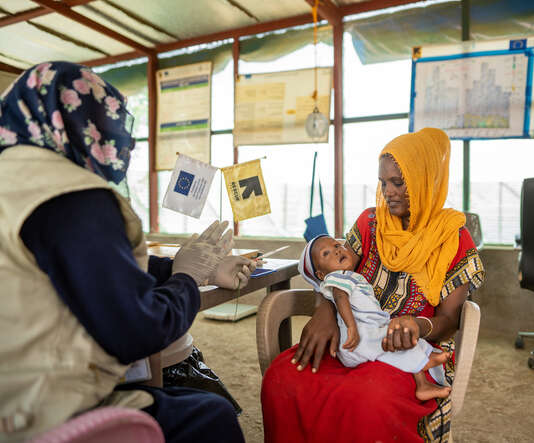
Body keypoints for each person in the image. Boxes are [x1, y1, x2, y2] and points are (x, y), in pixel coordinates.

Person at [0, 61, 255, 443]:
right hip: (41, 408)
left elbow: (90, 267)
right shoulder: (71, 195)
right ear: (78, 121)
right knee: (212, 414)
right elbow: (139, 330)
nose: (117, 138)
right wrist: (187, 279)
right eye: (103, 121)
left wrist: (191, 267)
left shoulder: (15, 178)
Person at [261, 127, 485, 442]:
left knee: (367, 399)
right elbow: (333, 272)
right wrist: (325, 313)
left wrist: (417, 326)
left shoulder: (454, 239)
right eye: (383, 183)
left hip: (411, 350)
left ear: (425, 180)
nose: (388, 192)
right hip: (352, 335)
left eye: (398, 182)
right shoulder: (370, 223)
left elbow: (448, 321)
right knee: (281, 378)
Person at [300, 234, 451, 401]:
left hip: (370, 330)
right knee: (395, 340)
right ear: (321, 275)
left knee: (403, 337)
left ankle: (422, 384)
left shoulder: (352, 277)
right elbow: (340, 298)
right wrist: (351, 327)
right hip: (358, 338)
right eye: (326, 253)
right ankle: (423, 363)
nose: (336, 252)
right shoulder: (337, 277)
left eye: (337, 246)